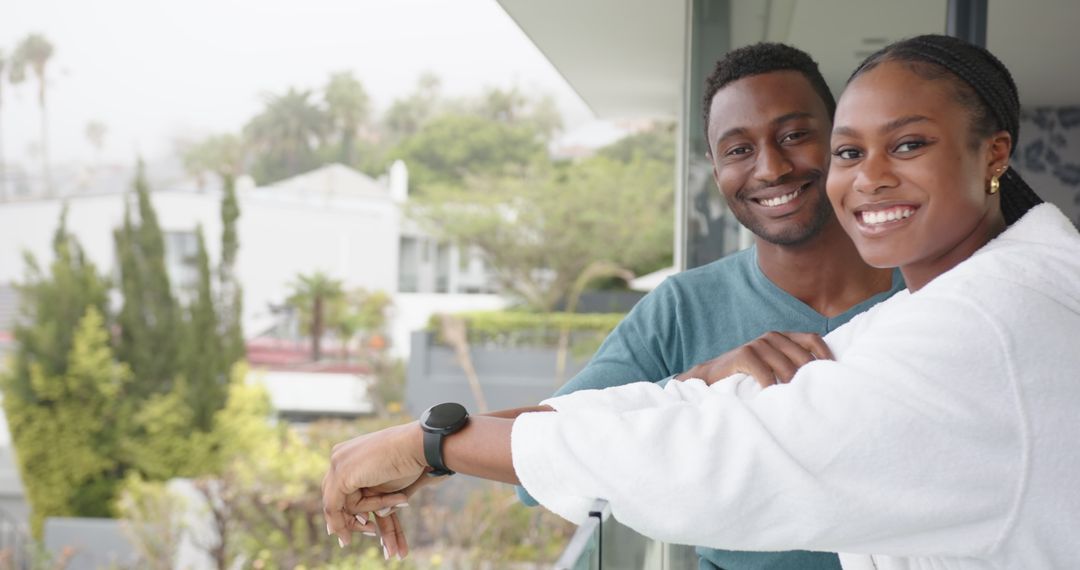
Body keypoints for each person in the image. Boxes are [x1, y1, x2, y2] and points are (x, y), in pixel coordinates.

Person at [323, 34, 1080, 569]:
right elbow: (614, 424)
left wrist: (431, 445)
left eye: (908, 145)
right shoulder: (929, 305)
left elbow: (719, 456)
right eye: (854, 151)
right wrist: (703, 378)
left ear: (994, 154)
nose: (869, 175)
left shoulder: (981, 322)